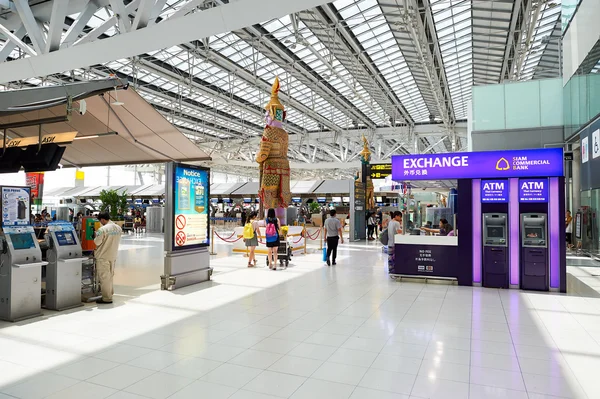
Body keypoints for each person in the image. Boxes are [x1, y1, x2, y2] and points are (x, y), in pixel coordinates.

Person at [93, 212, 123, 304]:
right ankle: (110, 293)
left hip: (103, 256)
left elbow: (97, 242)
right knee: (110, 276)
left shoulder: (102, 229)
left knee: (104, 277)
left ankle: (107, 298)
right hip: (112, 255)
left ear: (102, 219)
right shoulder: (118, 228)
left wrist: (95, 236)